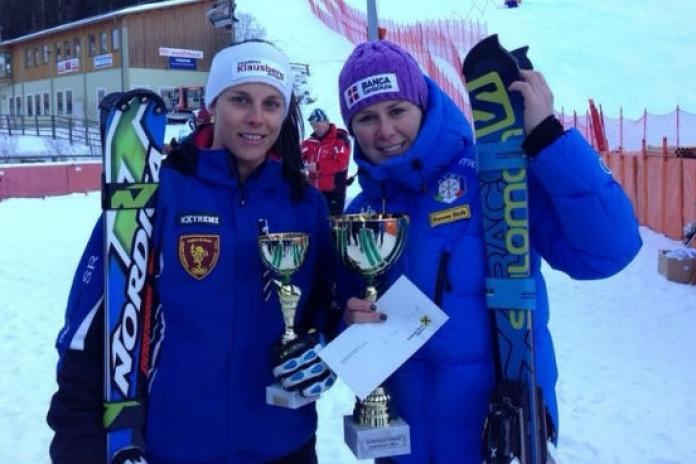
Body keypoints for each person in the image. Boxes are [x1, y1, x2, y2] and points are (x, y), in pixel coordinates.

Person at [335, 40, 642, 463]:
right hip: (402, 447)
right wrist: (350, 320)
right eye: (367, 118)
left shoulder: (495, 177)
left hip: (497, 440)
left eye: (397, 110)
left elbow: (607, 251)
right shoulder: (361, 214)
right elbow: (343, 313)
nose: (385, 130)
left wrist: (548, 138)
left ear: (423, 106)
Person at [47, 39, 339, 464]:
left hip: (285, 447)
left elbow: (330, 308)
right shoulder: (152, 193)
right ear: (212, 103)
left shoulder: (304, 204)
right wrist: (79, 443)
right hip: (174, 448)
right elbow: (91, 328)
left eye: (272, 104)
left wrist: (325, 348)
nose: (256, 118)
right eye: (240, 99)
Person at [300, 107, 351, 215]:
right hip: (314, 192)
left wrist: (318, 166)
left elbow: (341, 163)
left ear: (326, 122)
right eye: (313, 126)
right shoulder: (310, 143)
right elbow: (296, 155)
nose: (316, 129)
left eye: (317, 125)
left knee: (331, 222)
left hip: (333, 193)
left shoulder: (339, 140)